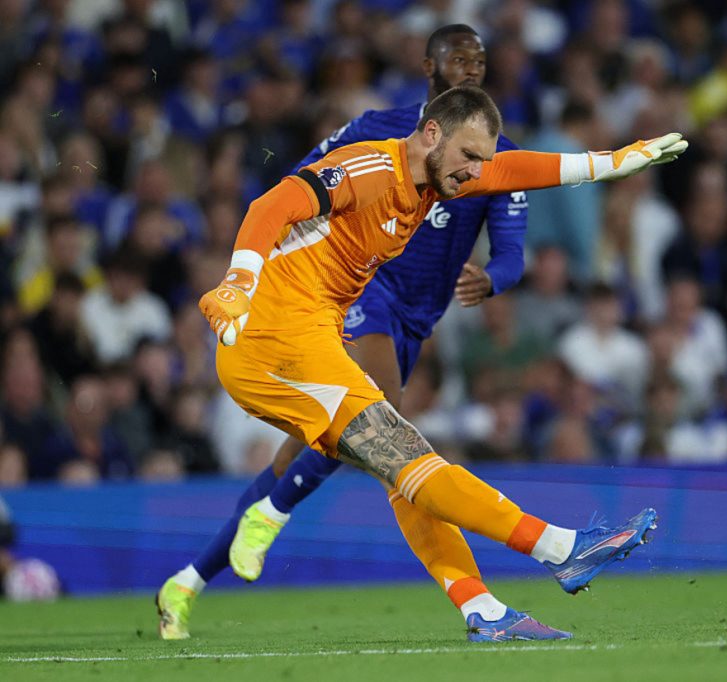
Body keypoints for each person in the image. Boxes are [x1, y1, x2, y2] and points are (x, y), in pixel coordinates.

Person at [194, 84, 681, 640]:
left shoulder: (442, 173)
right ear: (431, 133)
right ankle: (561, 547)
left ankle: (483, 609)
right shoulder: (371, 168)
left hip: (309, 339)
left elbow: (522, 169)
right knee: (411, 460)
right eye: (469, 156)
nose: (476, 172)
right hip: (271, 339)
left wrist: (615, 162)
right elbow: (271, 205)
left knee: (403, 474)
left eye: (482, 159)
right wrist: (239, 280)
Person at [157, 25, 543, 642]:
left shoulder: (491, 156)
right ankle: (283, 515)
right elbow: (303, 182)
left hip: (421, 315)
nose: (471, 67)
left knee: (312, 451)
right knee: (383, 423)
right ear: (428, 65)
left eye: (480, 58)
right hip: (362, 294)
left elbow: (514, 251)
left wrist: (493, 279)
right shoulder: (377, 129)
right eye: (458, 56)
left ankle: (189, 579)